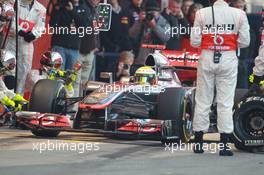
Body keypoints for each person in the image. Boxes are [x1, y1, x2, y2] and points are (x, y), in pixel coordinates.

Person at [191, 0, 250, 156]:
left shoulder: (201, 13)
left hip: (206, 57)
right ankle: (224, 145)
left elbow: (194, 41)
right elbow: (245, 42)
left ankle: (198, 142)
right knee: (225, 102)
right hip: (228, 58)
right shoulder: (239, 14)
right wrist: (228, 43)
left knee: (203, 99)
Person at [6, 0, 46, 95]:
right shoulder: (14, 2)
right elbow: (9, 21)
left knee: (24, 74)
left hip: (27, 45)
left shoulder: (41, 8)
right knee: (9, 71)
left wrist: (33, 35)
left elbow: (41, 27)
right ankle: (7, 101)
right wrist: (22, 32)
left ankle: (18, 101)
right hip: (11, 41)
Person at [50, 0, 88, 71]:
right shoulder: (60, 6)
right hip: (59, 46)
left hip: (74, 48)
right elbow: (53, 25)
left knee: (70, 77)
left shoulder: (84, 8)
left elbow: (85, 25)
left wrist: (72, 11)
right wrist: (67, 29)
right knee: (57, 75)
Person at [128, 0, 170, 64]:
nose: (151, 15)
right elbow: (131, 34)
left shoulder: (163, 22)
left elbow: (166, 37)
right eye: (149, 13)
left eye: (153, 13)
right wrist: (139, 21)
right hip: (140, 59)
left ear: (158, 12)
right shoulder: (142, 21)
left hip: (156, 60)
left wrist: (154, 26)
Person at [77, 0, 100, 96]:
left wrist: (97, 45)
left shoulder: (95, 10)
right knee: (75, 81)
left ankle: (79, 106)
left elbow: (97, 30)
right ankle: (73, 108)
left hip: (90, 50)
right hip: (78, 50)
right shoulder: (80, 6)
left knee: (84, 82)